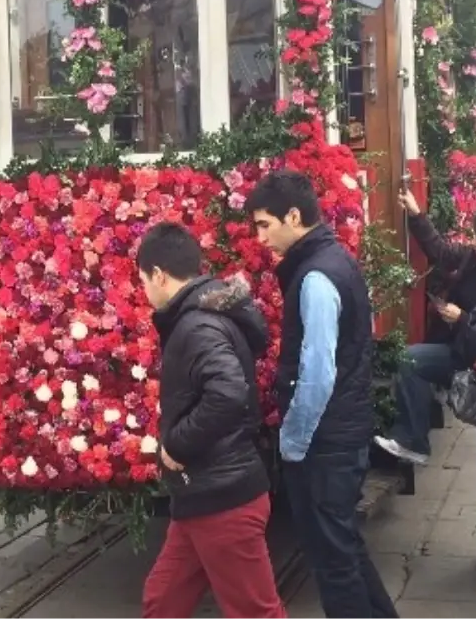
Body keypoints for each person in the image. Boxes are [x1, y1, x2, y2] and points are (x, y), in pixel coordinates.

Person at [245, 170, 400, 618]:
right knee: (343, 546)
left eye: (264, 225)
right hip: (342, 432)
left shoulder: (315, 277)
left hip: (324, 441)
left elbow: (318, 371)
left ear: (293, 216)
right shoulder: (336, 260)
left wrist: (293, 441)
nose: (261, 238)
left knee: (333, 561)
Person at [374, 191, 476, 573]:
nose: (475, 244)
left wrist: (461, 318)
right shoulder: (468, 260)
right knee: (411, 360)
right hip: (468, 360)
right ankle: (414, 441)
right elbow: (439, 250)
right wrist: (415, 214)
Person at [136, 222, 283, 619]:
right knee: (162, 600)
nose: (144, 291)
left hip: (224, 497)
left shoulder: (196, 325)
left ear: (159, 275)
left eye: (143, 281)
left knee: (254, 611)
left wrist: (176, 444)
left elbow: (228, 393)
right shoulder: (200, 313)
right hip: (201, 492)